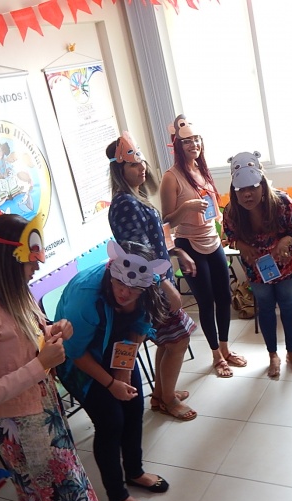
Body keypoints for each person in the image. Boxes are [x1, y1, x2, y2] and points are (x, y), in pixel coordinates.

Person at [0, 213, 105, 501]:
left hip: (45, 412)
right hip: (23, 429)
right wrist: (40, 365)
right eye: (31, 259)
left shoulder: (16, 293)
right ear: (10, 258)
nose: (37, 266)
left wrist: (53, 330)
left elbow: (26, 341)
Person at [54, 240, 171, 501]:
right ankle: (118, 496)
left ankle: (135, 471)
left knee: (133, 407)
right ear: (111, 270)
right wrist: (110, 384)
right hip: (77, 360)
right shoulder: (86, 295)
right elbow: (75, 353)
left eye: (134, 289)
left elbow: (139, 326)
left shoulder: (147, 285)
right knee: (110, 422)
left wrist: (123, 371)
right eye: (120, 284)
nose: (125, 292)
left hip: (117, 349)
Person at [107, 132, 197, 421]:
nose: (141, 168)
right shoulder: (125, 203)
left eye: (142, 162)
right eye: (134, 165)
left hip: (157, 280)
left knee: (169, 342)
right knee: (179, 340)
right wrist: (166, 285)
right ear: (120, 170)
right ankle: (168, 398)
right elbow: (140, 252)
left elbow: (156, 240)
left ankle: (160, 394)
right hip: (151, 286)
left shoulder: (137, 198)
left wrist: (177, 253)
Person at [160, 114, 247, 378]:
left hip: (212, 240)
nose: (193, 145)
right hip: (189, 243)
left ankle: (226, 348)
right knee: (206, 302)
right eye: (187, 141)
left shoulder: (202, 169)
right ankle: (216, 355)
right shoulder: (171, 177)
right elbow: (166, 222)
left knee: (224, 298)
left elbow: (212, 208)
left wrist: (222, 231)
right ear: (177, 145)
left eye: (196, 140)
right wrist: (186, 207)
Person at [222, 150, 292, 378]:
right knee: (266, 309)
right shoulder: (231, 211)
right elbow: (230, 236)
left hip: (287, 264)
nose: (247, 194)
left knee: (288, 305)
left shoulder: (282, 203)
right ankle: (273, 355)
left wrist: (285, 241)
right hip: (257, 268)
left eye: (252, 187)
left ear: (262, 184)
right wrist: (241, 244)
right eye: (241, 190)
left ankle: (291, 353)